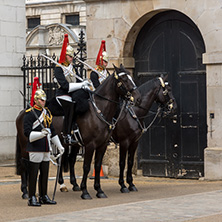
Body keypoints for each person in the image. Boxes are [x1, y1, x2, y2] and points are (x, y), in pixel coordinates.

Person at [24, 89, 65, 207]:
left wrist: (59, 146)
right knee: (34, 174)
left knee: (45, 173)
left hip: (46, 147)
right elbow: (27, 133)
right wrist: (40, 134)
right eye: (41, 100)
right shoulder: (30, 113)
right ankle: (32, 197)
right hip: (35, 147)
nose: (44, 102)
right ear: (36, 100)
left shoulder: (46, 113)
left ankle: (43, 196)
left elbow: (52, 131)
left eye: (44, 100)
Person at [54, 34, 90, 145]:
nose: (72, 58)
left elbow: (78, 81)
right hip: (62, 94)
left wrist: (85, 84)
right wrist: (80, 85)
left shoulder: (72, 68)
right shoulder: (58, 68)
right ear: (65, 56)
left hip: (73, 94)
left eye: (72, 56)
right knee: (70, 106)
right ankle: (67, 134)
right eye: (70, 56)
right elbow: (64, 86)